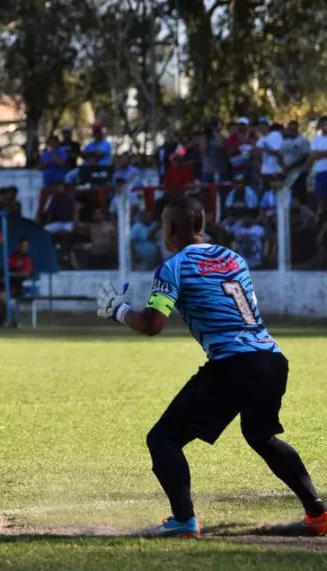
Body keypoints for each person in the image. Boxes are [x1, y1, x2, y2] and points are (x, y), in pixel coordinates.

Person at [96, 195, 327, 538]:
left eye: (162, 225)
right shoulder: (235, 259)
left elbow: (152, 324)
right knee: (260, 435)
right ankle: (318, 514)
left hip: (234, 363)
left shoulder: (174, 267)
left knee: (163, 439)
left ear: (170, 227)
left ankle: (183, 521)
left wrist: (118, 310)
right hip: (272, 358)